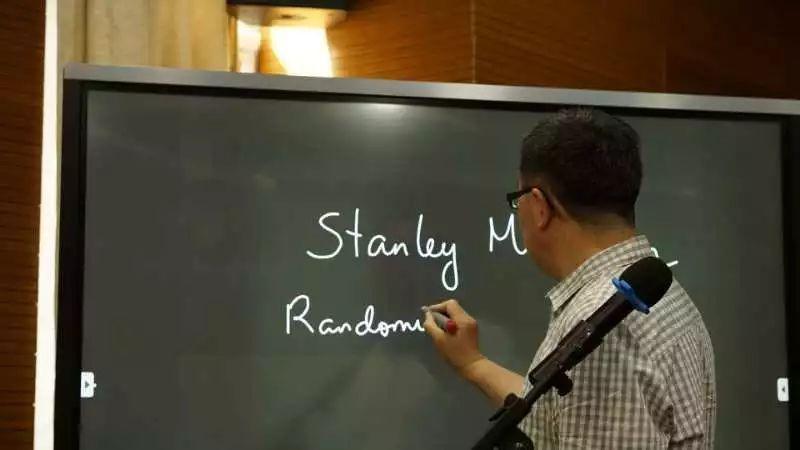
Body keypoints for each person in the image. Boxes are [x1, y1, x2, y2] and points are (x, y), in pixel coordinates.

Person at [423, 108, 716, 449]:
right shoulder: (645, 291)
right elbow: (562, 414)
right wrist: (473, 363)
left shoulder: (607, 323)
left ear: (539, 206)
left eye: (518, 201)